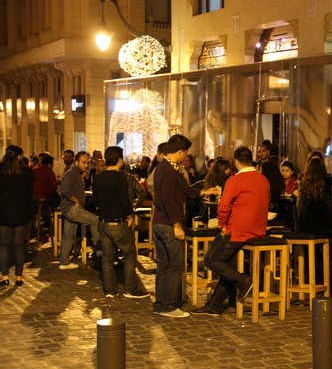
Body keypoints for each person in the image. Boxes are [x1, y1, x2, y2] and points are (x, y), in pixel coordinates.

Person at [192, 146, 270, 316]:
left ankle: (243, 280)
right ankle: (215, 304)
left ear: (235, 162)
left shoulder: (235, 180)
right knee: (228, 264)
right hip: (257, 229)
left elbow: (224, 206)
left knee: (210, 259)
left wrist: (222, 225)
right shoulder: (263, 180)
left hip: (238, 230)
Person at [152, 134, 218, 318]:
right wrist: (176, 224)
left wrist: (204, 192)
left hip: (160, 222)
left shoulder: (168, 168)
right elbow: (168, 200)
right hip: (167, 223)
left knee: (164, 264)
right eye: (185, 153)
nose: (186, 156)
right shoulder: (167, 170)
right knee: (175, 265)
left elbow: (183, 189)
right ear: (180, 152)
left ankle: (161, 304)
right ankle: (168, 306)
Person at [92, 146, 150, 299]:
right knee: (129, 254)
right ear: (119, 160)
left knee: (107, 257)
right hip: (118, 222)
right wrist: (130, 216)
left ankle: (110, 290)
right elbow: (125, 201)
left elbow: (95, 200)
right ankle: (130, 288)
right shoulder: (120, 178)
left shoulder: (98, 177)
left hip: (103, 222)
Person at [295, 155, 332, 293]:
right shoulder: (329, 182)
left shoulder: (303, 183)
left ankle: (311, 282)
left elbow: (299, 207)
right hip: (327, 227)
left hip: (307, 228)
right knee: (331, 252)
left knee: (310, 254)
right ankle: (329, 285)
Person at [58, 151, 102, 270]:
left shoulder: (76, 174)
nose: (86, 165)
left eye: (87, 162)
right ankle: (100, 253)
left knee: (68, 234)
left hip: (70, 208)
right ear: (76, 162)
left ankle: (64, 261)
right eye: (83, 162)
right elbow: (65, 189)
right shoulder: (71, 174)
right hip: (72, 208)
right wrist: (76, 200)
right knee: (95, 221)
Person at [0, 145, 34, 288]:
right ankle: (19, 276)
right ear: (20, 156)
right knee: (19, 244)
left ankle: (4, 276)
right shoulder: (27, 172)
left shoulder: (1, 170)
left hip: (3, 211)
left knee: (3, 244)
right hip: (21, 211)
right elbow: (30, 194)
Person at [33, 153, 59, 232]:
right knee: (57, 200)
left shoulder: (34, 171)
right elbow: (54, 187)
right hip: (44, 198)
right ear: (49, 164)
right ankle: (44, 220)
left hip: (33, 199)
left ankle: (41, 219)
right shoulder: (50, 172)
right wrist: (49, 193)